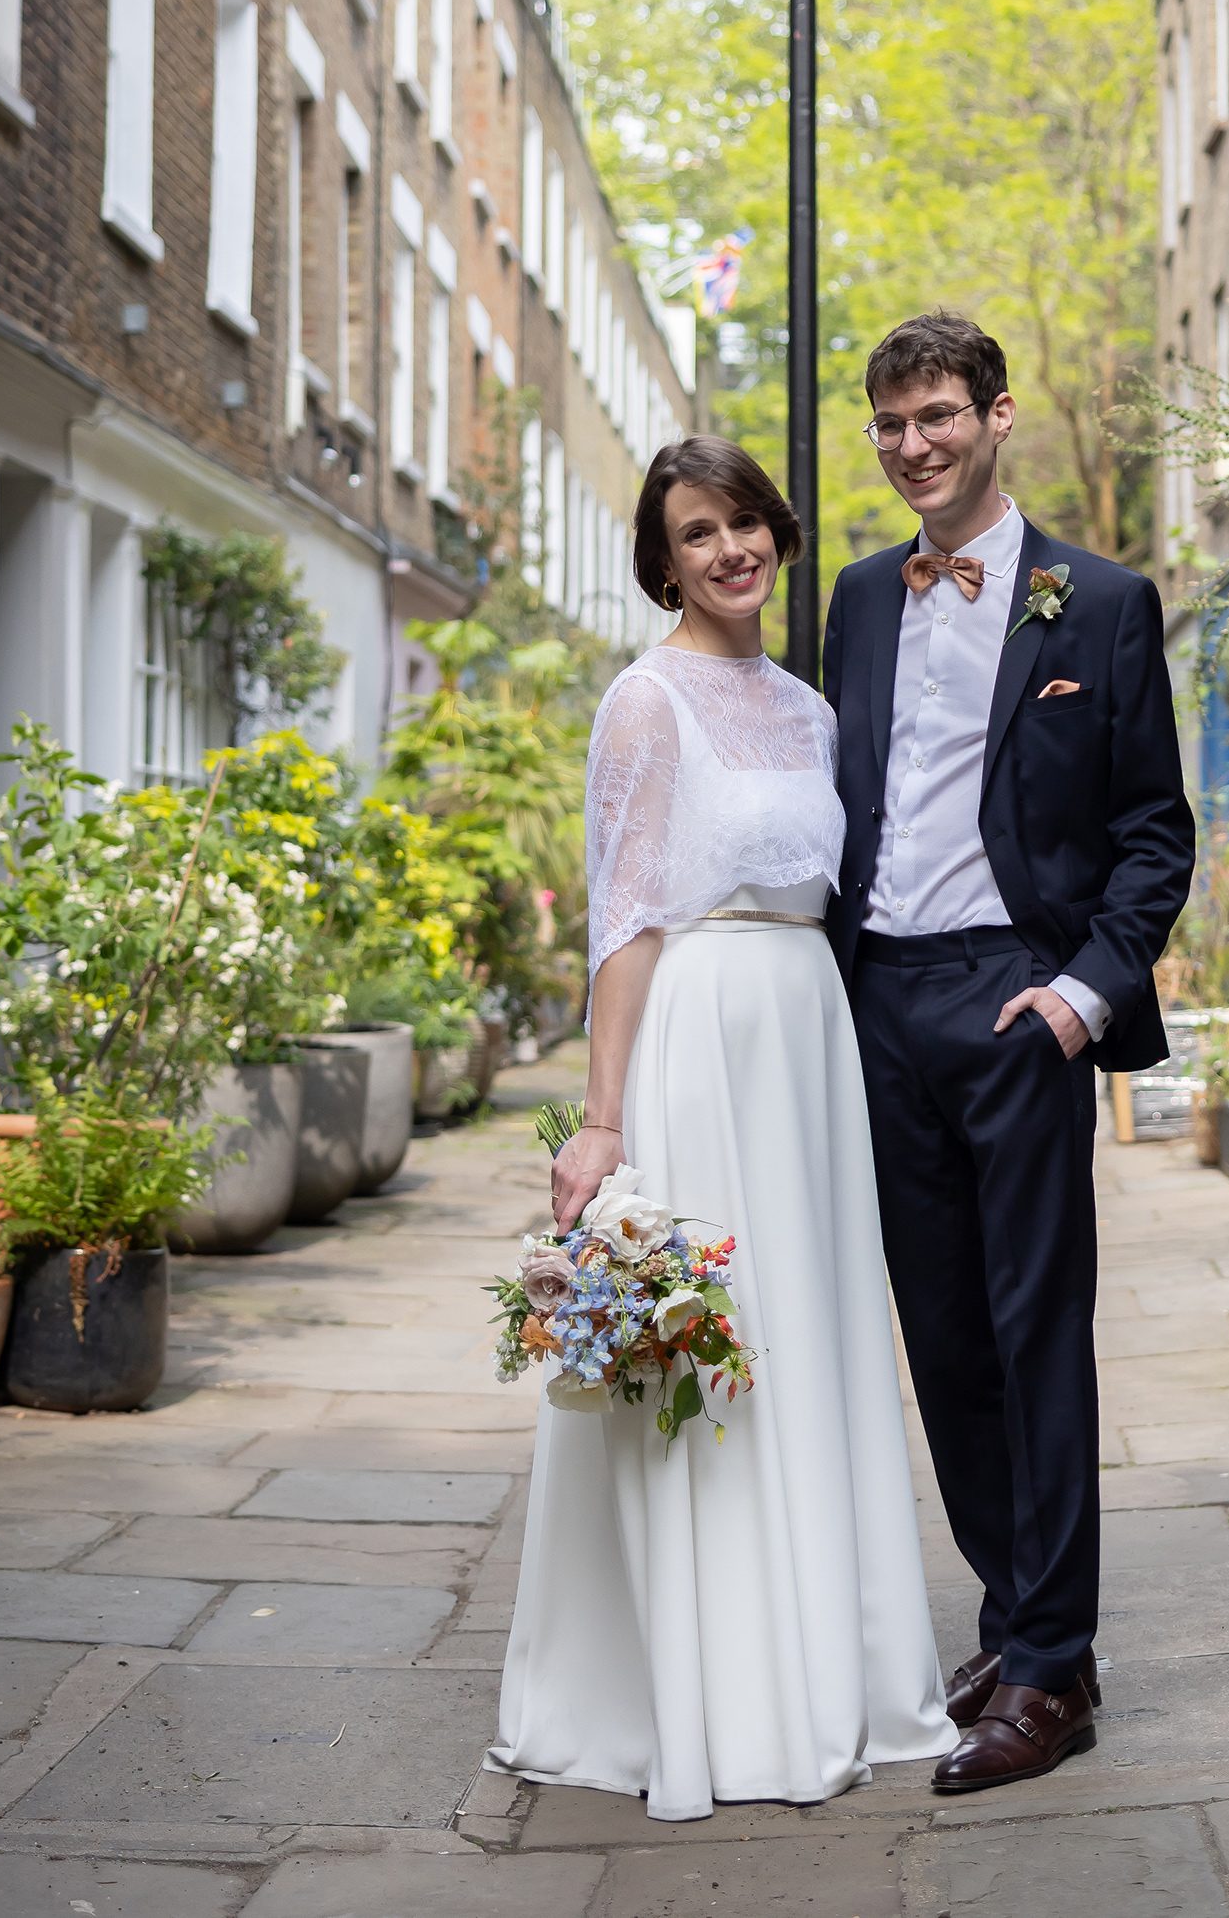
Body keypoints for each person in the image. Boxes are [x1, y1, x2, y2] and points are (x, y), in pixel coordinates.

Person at [487, 436, 954, 1824]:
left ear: (775, 531)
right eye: (697, 532)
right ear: (664, 558)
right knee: (718, 1353)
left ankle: (833, 1668)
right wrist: (599, 1122)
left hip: (808, 1044)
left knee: (810, 1342)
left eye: (744, 521)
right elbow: (623, 920)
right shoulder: (642, 704)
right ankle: (713, 1694)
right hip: (698, 1036)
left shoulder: (812, 713)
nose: (729, 549)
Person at [823, 311, 1196, 1796]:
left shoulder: (1094, 603)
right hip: (881, 1002)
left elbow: (1153, 838)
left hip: (1015, 1003)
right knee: (944, 1342)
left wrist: (1076, 996)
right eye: (891, 426)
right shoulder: (855, 601)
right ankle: (1022, 1617)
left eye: (938, 418)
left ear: (997, 417)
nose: (915, 447)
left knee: (1037, 1333)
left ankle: (1050, 1673)